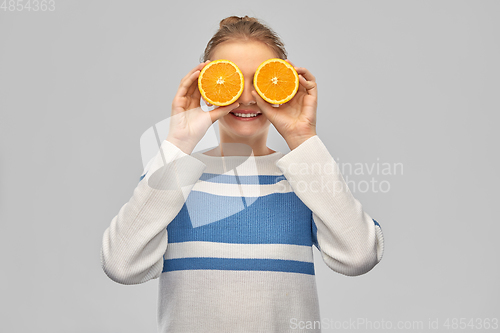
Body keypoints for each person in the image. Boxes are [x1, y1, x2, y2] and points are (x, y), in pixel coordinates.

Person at [101, 15, 384, 332]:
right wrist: (178, 142)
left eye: (262, 79)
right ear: (205, 85)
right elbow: (121, 265)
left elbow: (360, 256)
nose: (248, 97)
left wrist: (303, 140)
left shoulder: (305, 177)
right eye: (231, 78)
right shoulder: (175, 176)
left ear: (283, 84)